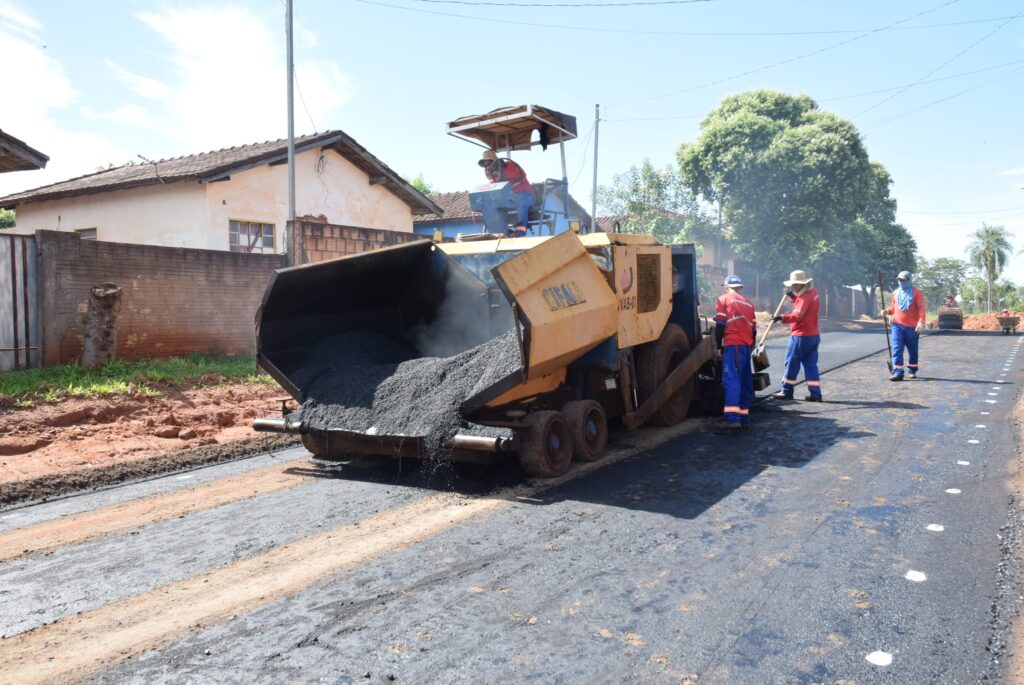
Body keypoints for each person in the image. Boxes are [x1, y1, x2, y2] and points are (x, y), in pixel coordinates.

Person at [713, 275, 757, 430]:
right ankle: (744, 418)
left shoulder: (723, 299)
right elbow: (754, 330)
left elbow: (719, 325)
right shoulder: (749, 303)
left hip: (733, 346)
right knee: (745, 381)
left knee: (731, 380)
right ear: (739, 287)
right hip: (745, 346)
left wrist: (718, 346)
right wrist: (751, 346)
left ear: (726, 287)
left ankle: (732, 419)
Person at [772, 270, 822, 402]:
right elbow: (804, 305)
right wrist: (793, 297)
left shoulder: (805, 296)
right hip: (813, 336)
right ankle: (815, 393)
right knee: (810, 365)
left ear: (802, 284)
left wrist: (782, 318)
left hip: (801, 336)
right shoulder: (813, 292)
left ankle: (786, 391)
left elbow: (798, 316)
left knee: (791, 362)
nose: (793, 287)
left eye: (795, 285)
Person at [881, 270, 926, 381]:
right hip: (897, 326)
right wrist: (887, 311)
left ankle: (912, 369)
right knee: (896, 349)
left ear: (909, 280)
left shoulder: (916, 292)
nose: (901, 282)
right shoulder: (895, 292)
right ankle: (898, 372)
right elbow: (894, 308)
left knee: (913, 350)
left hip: (912, 327)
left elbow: (921, 308)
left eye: (903, 280)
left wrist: (921, 321)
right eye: (899, 280)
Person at [479, 150, 533, 237]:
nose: (488, 166)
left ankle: (520, 232)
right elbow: (492, 187)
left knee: (521, 202)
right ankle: (504, 232)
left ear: (495, 161)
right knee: (494, 207)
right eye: (486, 165)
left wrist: (505, 175)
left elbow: (522, 174)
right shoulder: (494, 177)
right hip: (509, 199)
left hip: (525, 194)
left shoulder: (510, 165)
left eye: (489, 163)